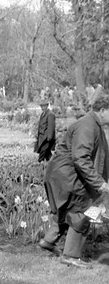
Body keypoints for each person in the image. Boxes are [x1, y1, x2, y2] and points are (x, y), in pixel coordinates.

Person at [38, 96, 109, 269]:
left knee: (67, 209)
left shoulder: (93, 124)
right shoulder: (88, 125)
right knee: (84, 211)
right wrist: (99, 183)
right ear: (102, 110)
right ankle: (70, 255)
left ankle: (48, 241)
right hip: (69, 176)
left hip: (67, 175)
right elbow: (81, 158)